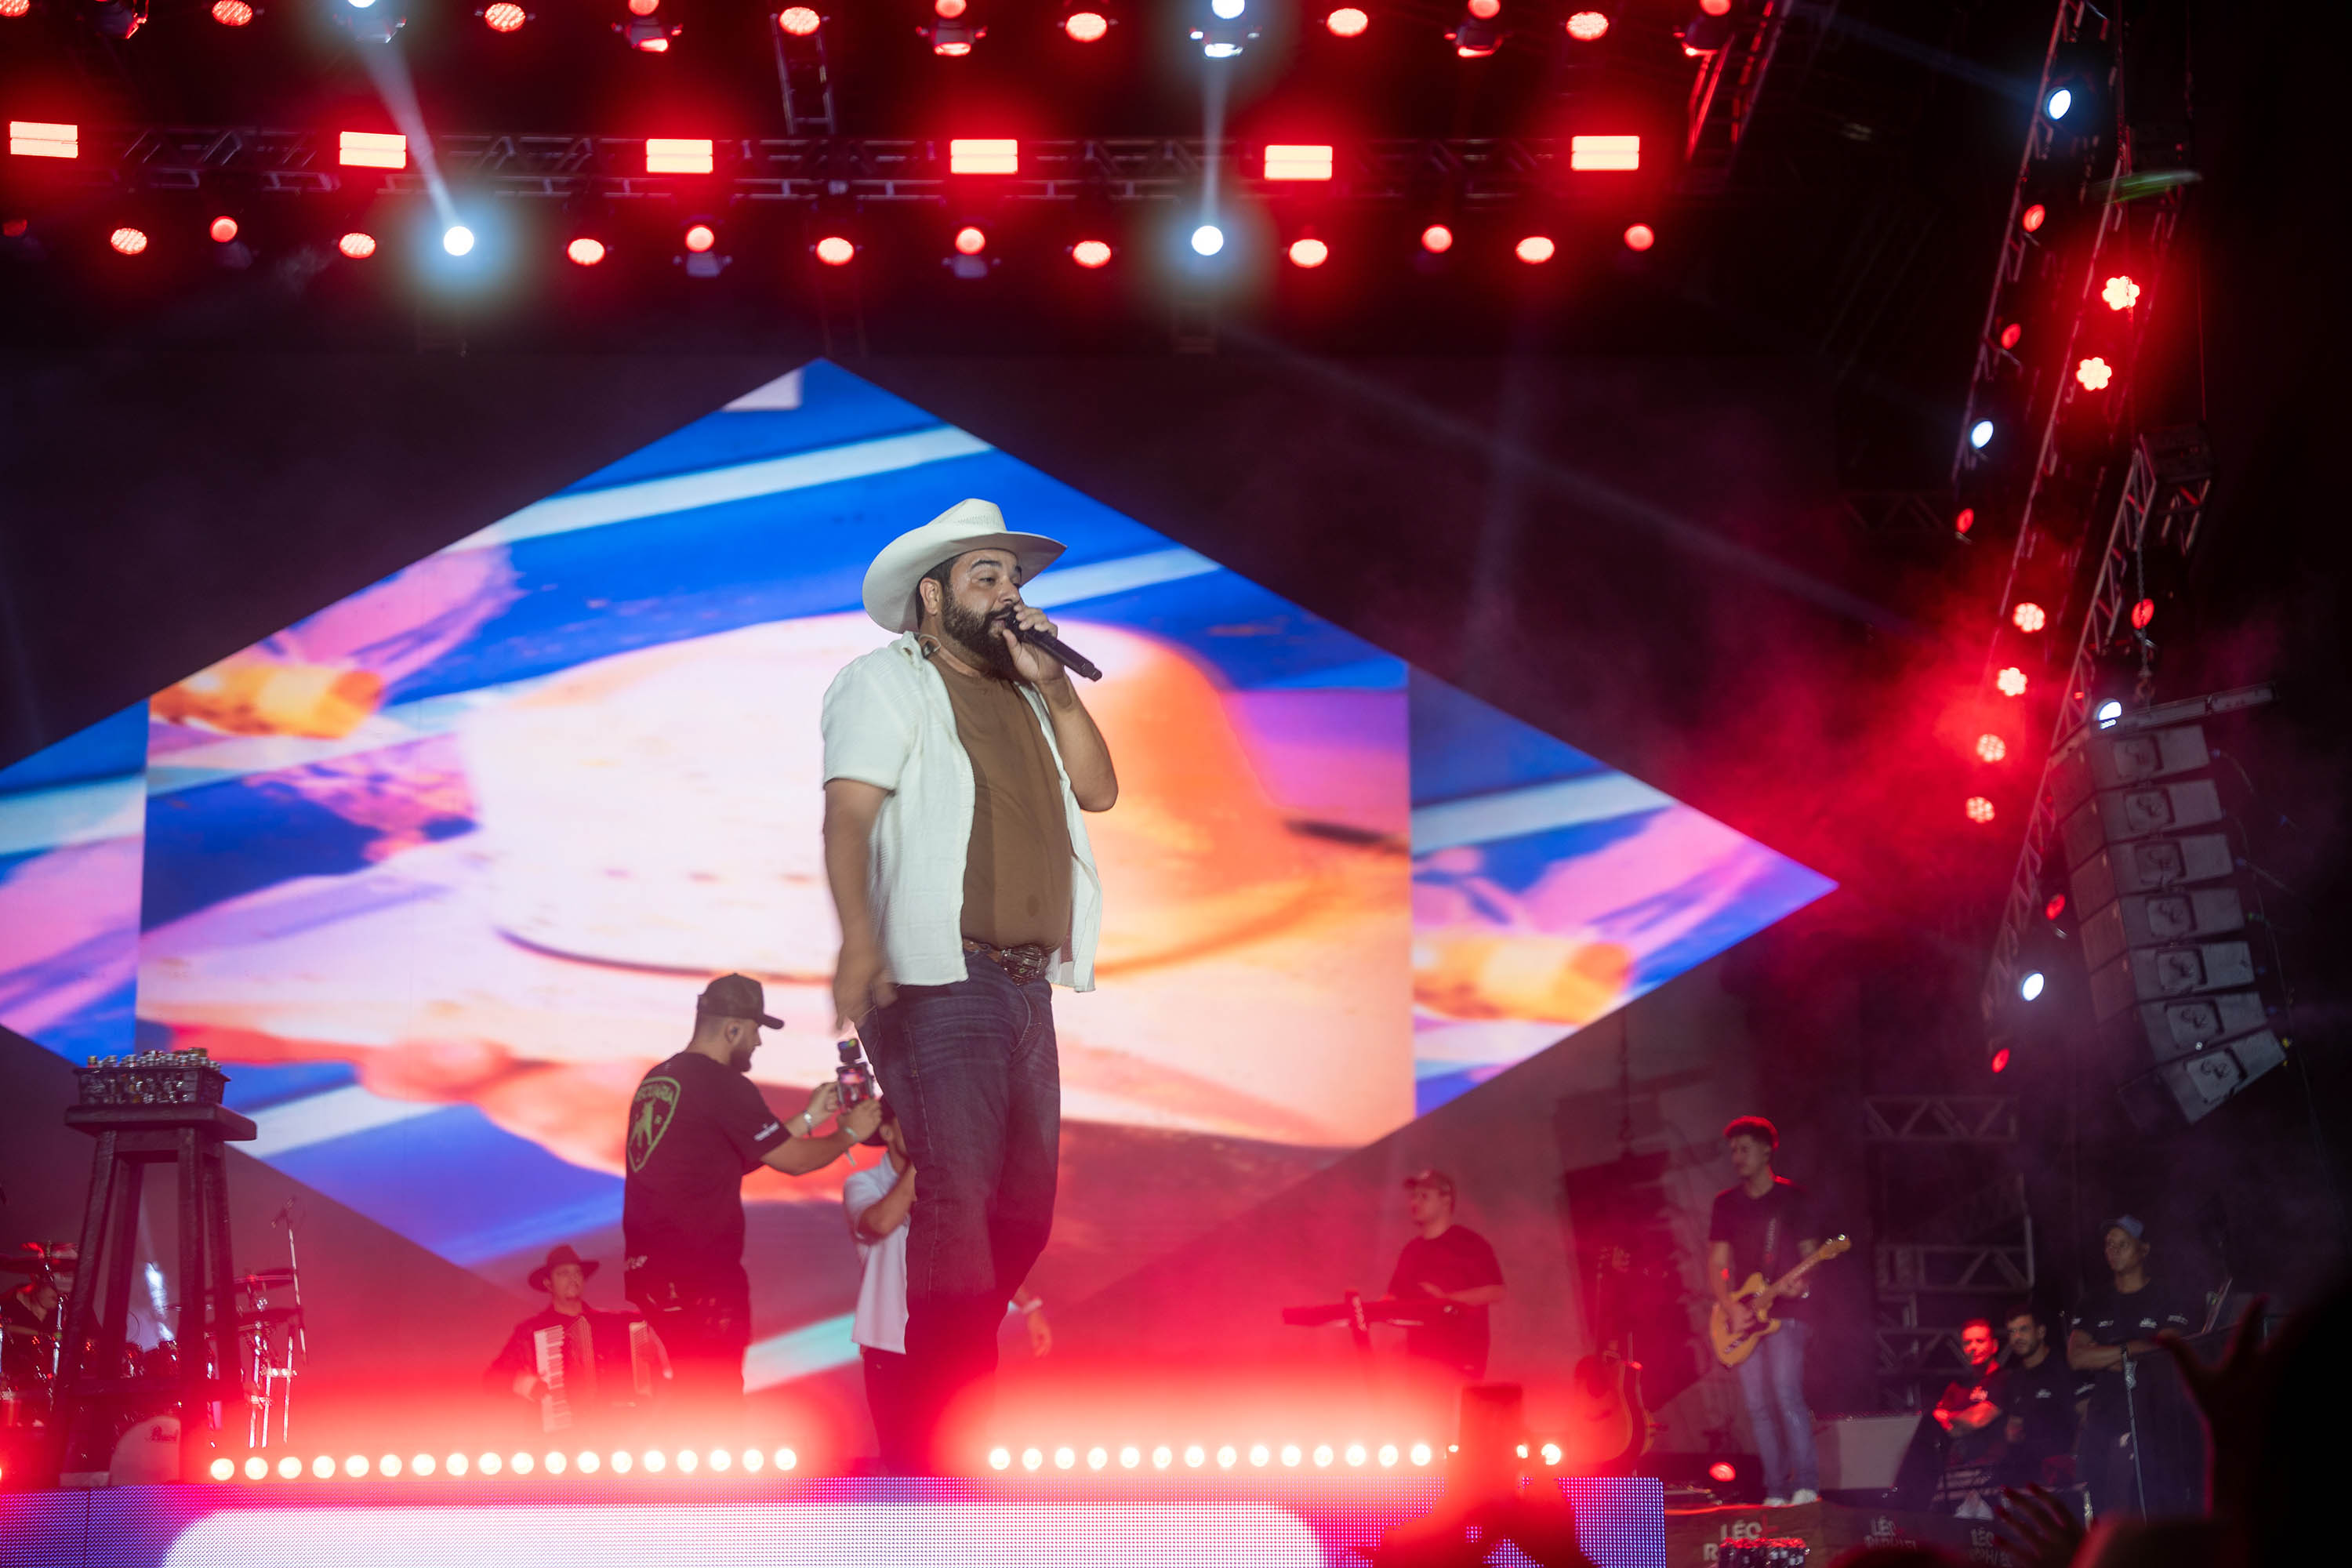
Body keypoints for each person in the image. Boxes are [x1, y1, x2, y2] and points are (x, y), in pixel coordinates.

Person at [821, 498, 1117, 1470]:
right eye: (986, 576)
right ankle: (939, 1448)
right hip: (938, 973)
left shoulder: (1028, 694)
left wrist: (1057, 686)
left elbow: (1101, 789)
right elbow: (850, 815)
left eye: (1014, 578)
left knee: (1020, 1214)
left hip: (1026, 982)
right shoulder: (884, 680)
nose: (1009, 593)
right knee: (958, 1200)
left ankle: (934, 1407)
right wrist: (857, 938)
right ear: (933, 595)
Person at [622, 973, 881, 1423]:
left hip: (653, 1275)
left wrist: (808, 1118)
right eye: (755, 1031)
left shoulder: (661, 1078)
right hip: (699, 1275)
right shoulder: (722, 1083)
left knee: (688, 1400)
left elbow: (726, 1161)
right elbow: (794, 1162)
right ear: (732, 1029)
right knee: (715, 1406)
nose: (758, 1042)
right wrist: (850, 1132)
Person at [844, 1101, 1051, 1472]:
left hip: (952, 1343)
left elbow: (978, 1251)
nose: (924, 1129)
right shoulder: (864, 1184)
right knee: (906, 1466)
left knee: (959, 1462)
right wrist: (926, 1164)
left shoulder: (955, 1187)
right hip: (892, 1349)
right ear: (887, 1131)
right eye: (912, 1121)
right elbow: (879, 1223)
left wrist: (1030, 1305)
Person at [1708, 1115, 1822, 1508]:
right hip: (1744, 1315)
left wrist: (1801, 1282)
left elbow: (1812, 1256)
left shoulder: (1793, 1199)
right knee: (1757, 1406)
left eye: (1744, 1149)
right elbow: (1716, 1264)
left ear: (1766, 1151)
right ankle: (1775, 1489)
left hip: (1787, 1313)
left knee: (1786, 1393)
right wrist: (1729, 1307)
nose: (1736, 1158)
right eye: (1733, 1151)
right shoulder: (1725, 1204)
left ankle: (1805, 1485)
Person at [2067, 1215, 2200, 1519]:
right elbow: (2076, 1357)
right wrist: (2131, 1352)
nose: (2113, 1251)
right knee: (2103, 1513)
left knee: (2153, 1510)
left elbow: (2165, 1348)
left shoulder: (2167, 1296)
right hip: (2103, 1423)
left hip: (2153, 1423)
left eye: (2122, 1244)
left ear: (2144, 1249)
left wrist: (2107, 1354)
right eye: (2109, 1244)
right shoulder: (2093, 1301)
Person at [483, 1245, 660, 1434]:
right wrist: (526, 1384)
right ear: (548, 1284)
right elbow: (493, 1379)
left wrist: (650, 1358)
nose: (573, 1278)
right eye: (563, 1274)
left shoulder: (613, 1323)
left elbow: (651, 1374)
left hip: (613, 1431)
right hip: (559, 1436)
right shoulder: (532, 1331)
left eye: (577, 1273)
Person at [1385, 1170, 1506, 1381]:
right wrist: (1370, 1310)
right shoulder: (1411, 1250)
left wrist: (1446, 1300)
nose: (1415, 1202)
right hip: (1420, 1361)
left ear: (1446, 1200)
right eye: (1413, 1196)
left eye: (1424, 1196)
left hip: (1460, 1361)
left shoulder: (1469, 1243)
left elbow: (1496, 1291)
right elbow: (1394, 1296)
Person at [1991, 1302, 2075, 1489]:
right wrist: (2012, 1432)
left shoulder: (2064, 1367)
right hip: (2028, 1475)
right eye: (2012, 1332)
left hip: (2062, 1475)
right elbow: (2015, 1425)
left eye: (2023, 1329)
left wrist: (2072, 1462)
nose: (2017, 1337)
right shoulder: (2015, 1378)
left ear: (2041, 1332)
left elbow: (2085, 1417)